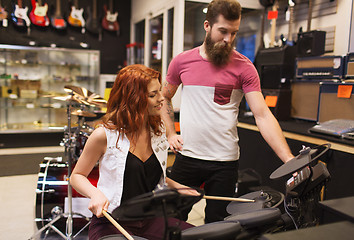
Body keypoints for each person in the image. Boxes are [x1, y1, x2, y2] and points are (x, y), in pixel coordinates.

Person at [161, 0, 294, 224]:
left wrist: (289, 160)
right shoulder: (182, 62)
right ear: (207, 26)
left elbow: (262, 115)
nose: (228, 39)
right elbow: (165, 96)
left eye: (234, 33)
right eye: (222, 31)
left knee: (218, 225)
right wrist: (170, 134)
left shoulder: (244, 67)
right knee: (172, 220)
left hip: (224, 162)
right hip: (188, 157)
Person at [70, 64, 197, 240]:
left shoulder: (158, 129)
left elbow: (146, 173)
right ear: (133, 98)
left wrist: (179, 187)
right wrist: (95, 194)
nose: (162, 98)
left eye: (159, 91)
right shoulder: (104, 135)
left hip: (149, 218)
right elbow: (76, 176)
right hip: (111, 222)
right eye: (153, 95)